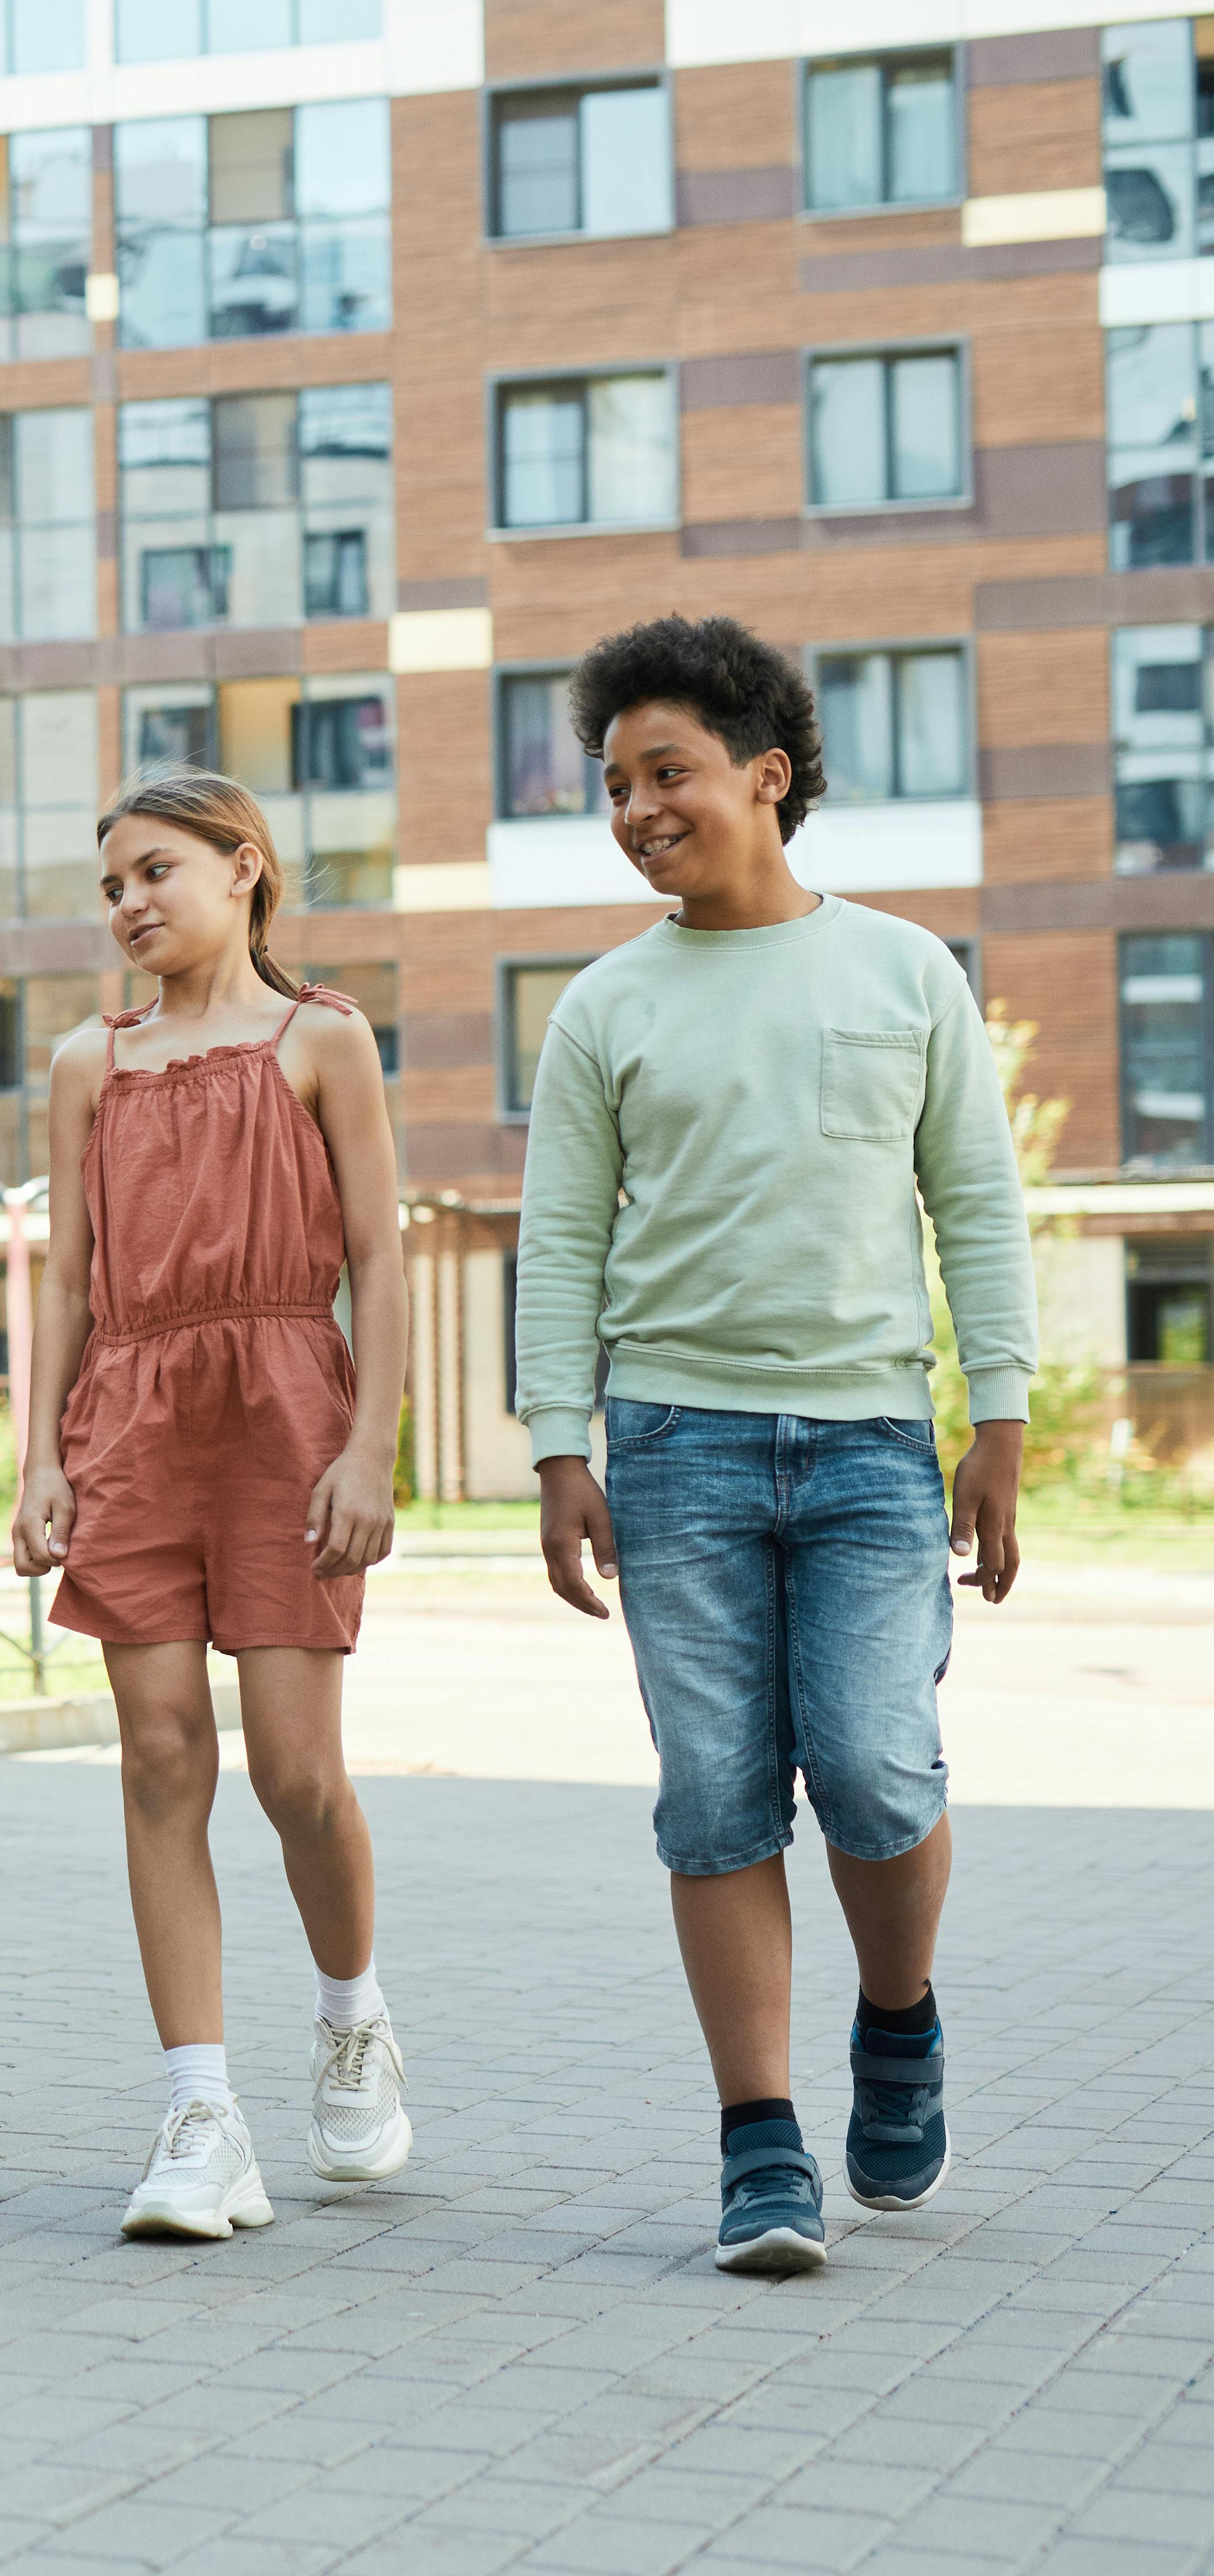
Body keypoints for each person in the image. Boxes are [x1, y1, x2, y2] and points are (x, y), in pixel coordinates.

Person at [516, 616, 1030, 2278]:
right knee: (717, 1799)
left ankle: (901, 2018)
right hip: (676, 1444)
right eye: (614, 785)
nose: (637, 807)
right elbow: (564, 1248)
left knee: (878, 1769)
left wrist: (999, 1420)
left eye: (667, 772)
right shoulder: (604, 1006)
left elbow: (979, 1208)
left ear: (767, 775)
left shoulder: (903, 971)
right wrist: (555, 1447)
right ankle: (760, 2148)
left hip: (877, 1441)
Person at [12, 770, 412, 2242]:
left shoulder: (324, 1039)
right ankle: (201, 2108)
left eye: (154, 871)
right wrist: (43, 1454)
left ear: (245, 868)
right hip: (132, 1414)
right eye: (110, 883)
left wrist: (370, 1449)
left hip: (285, 1401)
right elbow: (62, 1276)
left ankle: (354, 2016)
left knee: (297, 1776)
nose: (127, 903)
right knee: (160, 1752)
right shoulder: (84, 1063)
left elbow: (379, 1248)